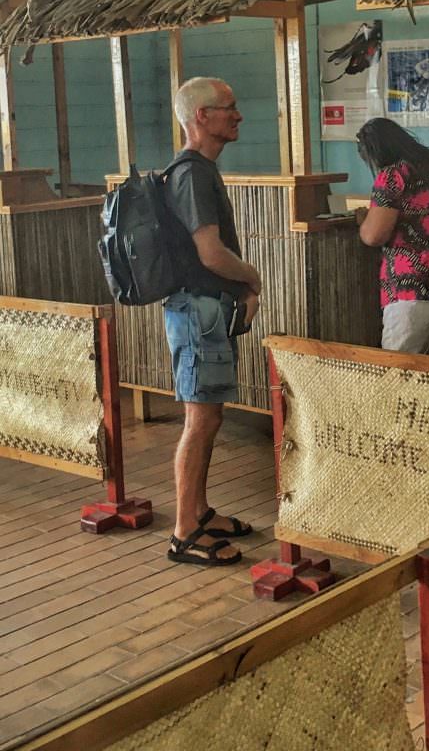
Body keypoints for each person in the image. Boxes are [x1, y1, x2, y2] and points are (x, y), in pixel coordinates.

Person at [163, 77, 261, 567]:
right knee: (199, 420)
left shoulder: (198, 171)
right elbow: (210, 253)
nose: (237, 115)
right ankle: (183, 532)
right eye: (229, 107)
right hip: (197, 311)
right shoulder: (193, 174)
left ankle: (200, 512)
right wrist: (253, 278)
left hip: (204, 310)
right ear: (200, 116)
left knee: (210, 414)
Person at [356, 118, 429, 357]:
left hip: (414, 287)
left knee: (400, 371)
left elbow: (374, 235)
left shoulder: (393, 176)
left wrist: (363, 220)